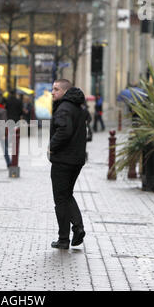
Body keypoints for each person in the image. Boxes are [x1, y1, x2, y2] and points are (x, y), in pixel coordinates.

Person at [48, 79, 87, 250]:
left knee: (61, 198)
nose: (53, 92)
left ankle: (67, 236)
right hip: (75, 159)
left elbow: (64, 131)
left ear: (65, 91)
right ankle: (74, 230)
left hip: (63, 159)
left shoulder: (64, 108)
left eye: (56, 89)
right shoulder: (77, 107)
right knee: (66, 195)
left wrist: (51, 146)